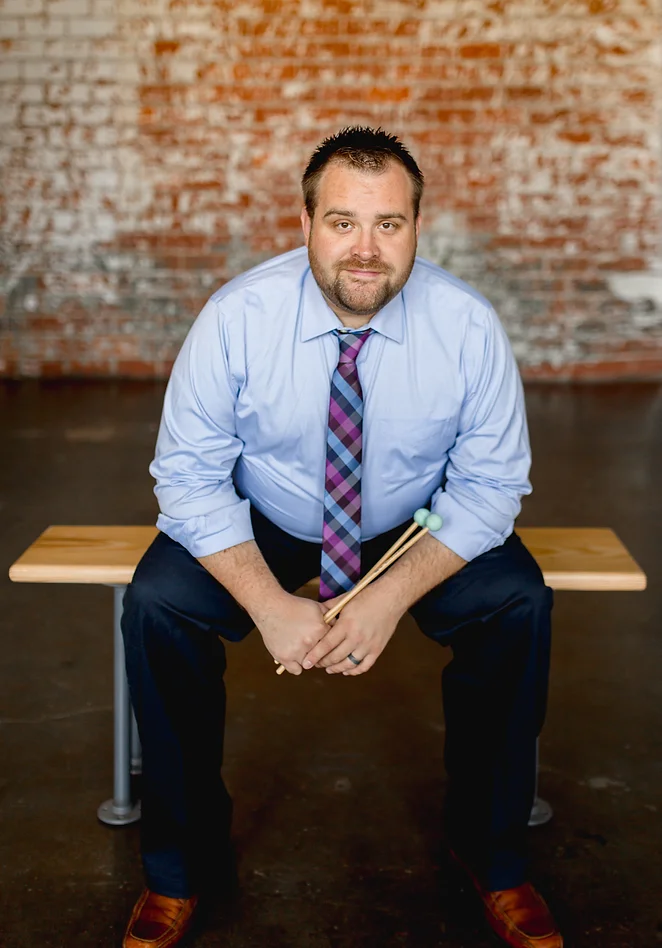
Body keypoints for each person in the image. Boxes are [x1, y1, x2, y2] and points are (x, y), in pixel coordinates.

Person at [121, 126, 561, 948]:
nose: (366, 249)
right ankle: (180, 864)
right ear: (306, 223)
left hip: (409, 522)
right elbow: (186, 479)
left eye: (389, 224)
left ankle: (493, 853)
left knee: (517, 601)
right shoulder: (235, 318)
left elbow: (492, 487)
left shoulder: (467, 327)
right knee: (156, 605)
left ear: (418, 228)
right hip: (273, 520)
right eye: (343, 222)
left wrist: (386, 598)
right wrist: (271, 605)